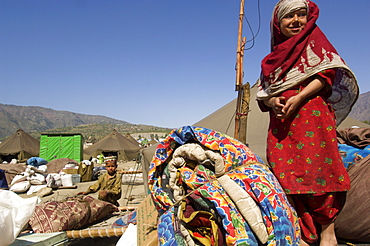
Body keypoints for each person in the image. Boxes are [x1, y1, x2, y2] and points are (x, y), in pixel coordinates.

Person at [256, 0, 359, 245]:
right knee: (285, 173)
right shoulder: (272, 59)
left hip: (312, 120)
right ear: (278, 23)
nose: (296, 21)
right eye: (289, 17)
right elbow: (265, 93)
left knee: (319, 171)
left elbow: (326, 75)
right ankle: (303, 232)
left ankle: (327, 233)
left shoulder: (315, 42)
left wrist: (300, 96)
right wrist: (273, 102)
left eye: (301, 15)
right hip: (282, 126)